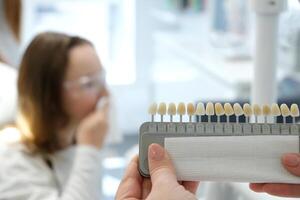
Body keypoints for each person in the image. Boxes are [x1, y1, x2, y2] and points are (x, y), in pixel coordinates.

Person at [0, 32, 109, 199]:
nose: (104, 93)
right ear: (50, 96)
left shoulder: (71, 146)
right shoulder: (10, 164)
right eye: (89, 84)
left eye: (101, 79)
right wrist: (89, 149)